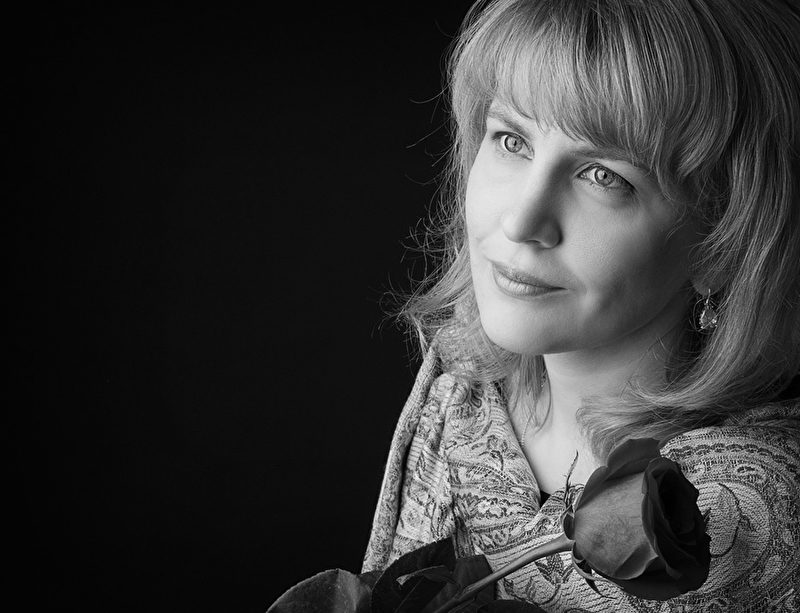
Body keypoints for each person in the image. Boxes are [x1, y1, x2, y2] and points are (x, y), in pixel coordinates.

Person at [361, 0, 800, 610]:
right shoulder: (459, 391)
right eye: (511, 140)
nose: (522, 221)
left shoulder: (750, 518)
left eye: (603, 176)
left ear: (722, 245)